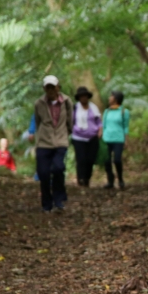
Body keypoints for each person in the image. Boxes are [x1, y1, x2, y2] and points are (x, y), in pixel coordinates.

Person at [34, 75, 74, 212]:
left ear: (58, 87)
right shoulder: (39, 103)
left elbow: (70, 121)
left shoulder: (67, 102)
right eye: (48, 87)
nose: (50, 90)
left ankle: (59, 199)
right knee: (43, 173)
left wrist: (66, 134)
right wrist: (39, 137)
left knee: (58, 168)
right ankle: (47, 203)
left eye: (53, 87)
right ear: (44, 88)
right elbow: (38, 121)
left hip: (61, 141)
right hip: (43, 142)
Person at [71, 86, 101, 186]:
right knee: (81, 159)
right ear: (79, 98)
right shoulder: (75, 108)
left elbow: (99, 122)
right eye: (81, 96)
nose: (83, 98)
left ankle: (87, 178)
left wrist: (100, 131)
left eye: (85, 96)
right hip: (78, 137)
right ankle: (81, 179)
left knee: (90, 159)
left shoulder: (94, 107)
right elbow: (70, 121)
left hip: (92, 137)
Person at [101, 90, 129, 189]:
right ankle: (110, 180)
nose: (109, 98)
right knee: (107, 160)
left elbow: (126, 127)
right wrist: (101, 135)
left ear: (116, 99)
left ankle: (120, 179)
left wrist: (126, 140)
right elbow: (103, 125)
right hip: (107, 139)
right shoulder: (107, 111)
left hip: (118, 139)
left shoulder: (124, 112)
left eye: (111, 96)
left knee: (117, 160)